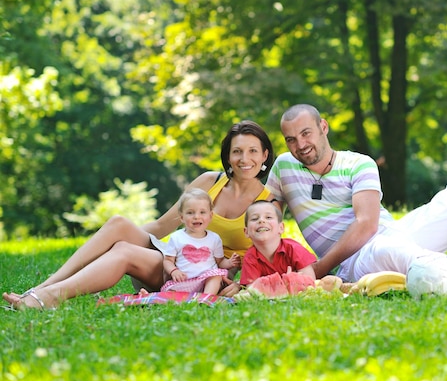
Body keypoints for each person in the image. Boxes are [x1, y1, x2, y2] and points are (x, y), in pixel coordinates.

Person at [3, 120, 275, 309]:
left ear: (265, 156)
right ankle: (41, 289)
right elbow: (161, 225)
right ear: (227, 156)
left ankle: (49, 297)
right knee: (119, 225)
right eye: (236, 151)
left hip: (207, 277)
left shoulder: (269, 202)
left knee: (124, 251)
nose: (244, 159)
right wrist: (129, 240)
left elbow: (268, 255)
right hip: (174, 264)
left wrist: (241, 285)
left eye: (253, 151)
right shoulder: (208, 182)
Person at [265, 103, 447, 291]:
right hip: (356, 262)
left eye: (305, 133)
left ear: (323, 127)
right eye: (290, 139)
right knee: (392, 249)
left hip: (391, 234)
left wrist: (317, 268)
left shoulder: (359, 163)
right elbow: (265, 217)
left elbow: (367, 225)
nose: (300, 145)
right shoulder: (284, 167)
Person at [159, 188, 227, 295]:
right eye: (190, 213)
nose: (196, 216)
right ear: (182, 217)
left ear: (210, 216)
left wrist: (230, 263)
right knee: (170, 293)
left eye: (202, 212)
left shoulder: (214, 238)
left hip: (206, 282)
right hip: (184, 281)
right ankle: (149, 295)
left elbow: (220, 262)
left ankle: (206, 298)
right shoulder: (176, 237)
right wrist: (174, 271)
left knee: (215, 276)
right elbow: (168, 261)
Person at [239, 200, 317, 285]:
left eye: (268, 217)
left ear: (281, 227)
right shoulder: (250, 258)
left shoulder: (294, 249)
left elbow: (310, 280)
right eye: (254, 219)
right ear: (246, 232)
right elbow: (252, 289)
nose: (261, 220)